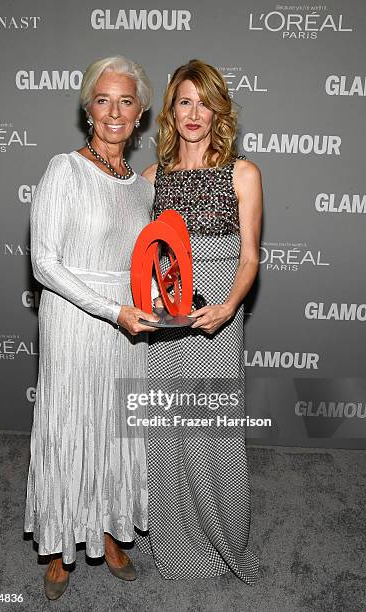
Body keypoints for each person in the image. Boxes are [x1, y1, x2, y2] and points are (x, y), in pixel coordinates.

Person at [24, 55, 158, 600]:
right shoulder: (65, 169)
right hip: (77, 320)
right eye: (103, 100)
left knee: (114, 426)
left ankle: (108, 531)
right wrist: (111, 309)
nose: (114, 112)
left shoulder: (141, 187)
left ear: (141, 112)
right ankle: (59, 547)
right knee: (68, 424)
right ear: (88, 109)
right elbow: (44, 263)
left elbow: (142, 260)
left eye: (126, 101)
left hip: (128, 327)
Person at [135, 59, 262, 584]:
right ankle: (176, 550)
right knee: (165, 436)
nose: (194, 112)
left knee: (214, 436)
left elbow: (251, 256)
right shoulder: (150, 178)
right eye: (184, 101)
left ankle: (225, 542)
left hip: (217, 317)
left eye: (204, 102)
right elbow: (139, 255)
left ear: (219, 111)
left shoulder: (243, 173)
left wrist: (229, 306)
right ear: (171, 110)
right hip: (165, 325)